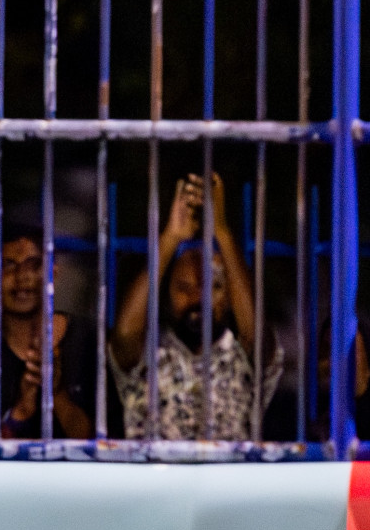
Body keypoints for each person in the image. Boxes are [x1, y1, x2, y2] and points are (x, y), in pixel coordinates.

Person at [110, 173, 282, 440]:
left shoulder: (241, 360)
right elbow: (124, 334)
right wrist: (169, 239)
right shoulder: (148, 356)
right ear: (166, 296)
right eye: (184, 288)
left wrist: (222, 232)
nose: (197, 298)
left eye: (213, 287)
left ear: (228, 298)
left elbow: (256, 334)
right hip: (157, 479)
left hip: (226, 480)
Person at [0, 231, 101, 439]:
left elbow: (105, 447)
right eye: (9, 265)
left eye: (34, 264)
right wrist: (22, 412)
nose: (22, 276)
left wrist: (56, 393)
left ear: (53, 274)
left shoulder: (91, 342)